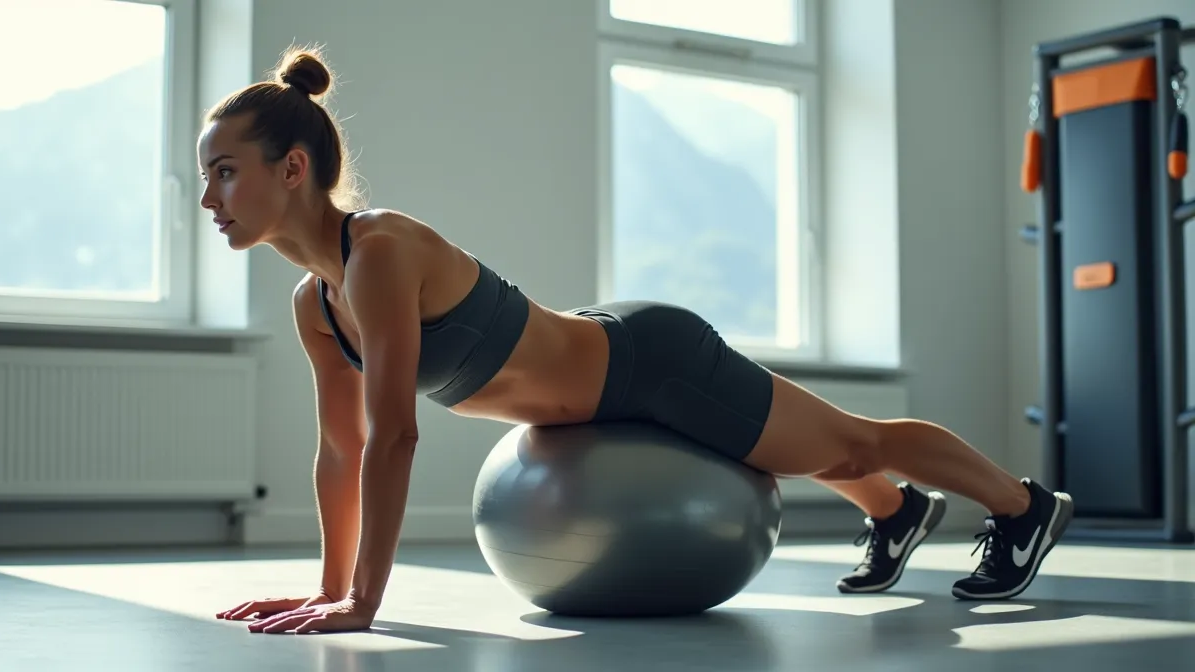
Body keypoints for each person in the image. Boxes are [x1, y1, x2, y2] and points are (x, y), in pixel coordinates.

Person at [204, 47, 1074, 635]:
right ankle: (900, 512)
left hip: (648, 367)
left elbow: (395, 436)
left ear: (293, 168)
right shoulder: (314, 306)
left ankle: (1021, 507)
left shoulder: (381, 254)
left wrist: (362, 601)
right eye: (206, 174)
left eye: (224, 171)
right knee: (839, 458)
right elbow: (339, 451)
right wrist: (327, 587)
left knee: (849, 447)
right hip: (594, 378)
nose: (210, 198)